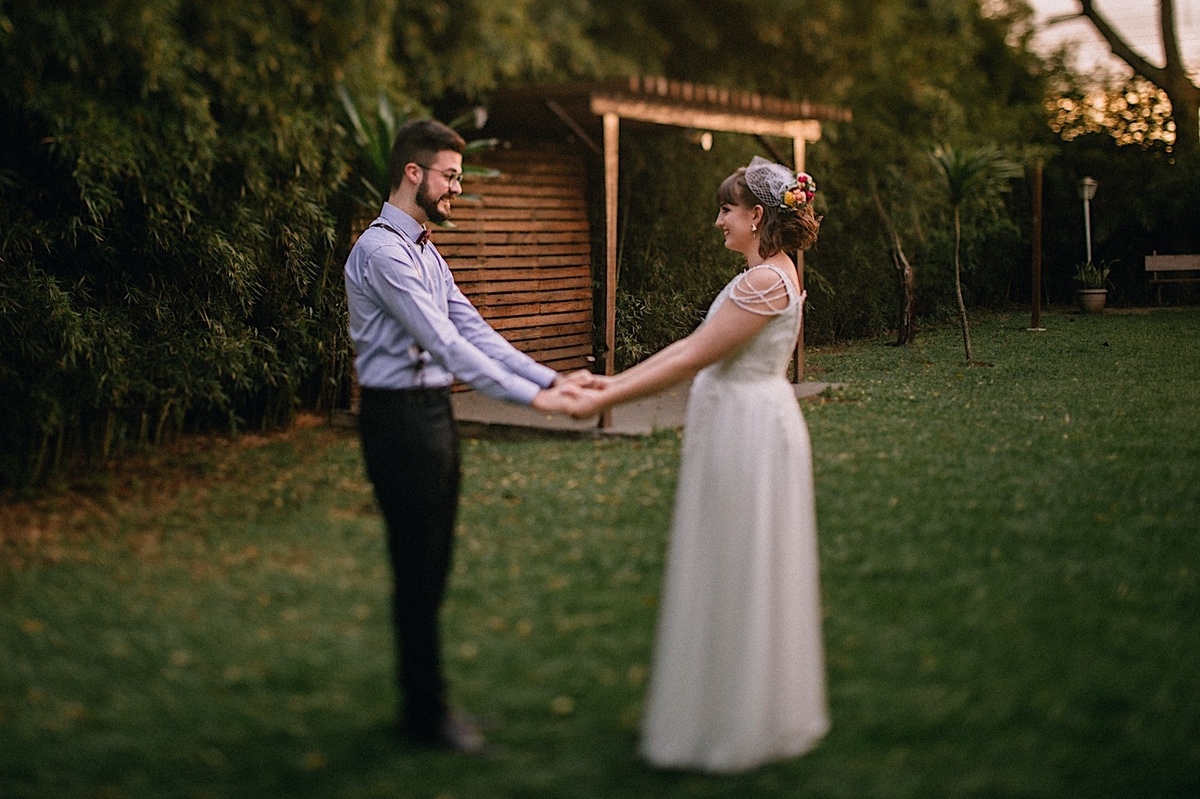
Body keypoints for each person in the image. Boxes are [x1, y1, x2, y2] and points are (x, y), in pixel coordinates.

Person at [560, 156, 830, 772]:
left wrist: (604, 394)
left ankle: (734, 722)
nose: (718, 222)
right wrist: (608, 384)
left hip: (748, 430)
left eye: (726, 211)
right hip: (752, 422)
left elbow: (690, 356)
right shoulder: (772, 273)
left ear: (756, 216)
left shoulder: (761, 282)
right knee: (737, 561)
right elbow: (690, 351)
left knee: (735, 562)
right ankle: (740, 710)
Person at [343, 118, 583, 754]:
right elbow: (442, 343)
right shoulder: (383, 252)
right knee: (417, 568)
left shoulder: (425, 250)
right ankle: (427, 716)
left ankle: (427, 704)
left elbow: (473, 329)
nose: (457, 187)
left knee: (434, 566)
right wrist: (535, 400)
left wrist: (553, 378)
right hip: (397, 421)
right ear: (413, 173)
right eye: (450, 175)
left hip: (432, 418)